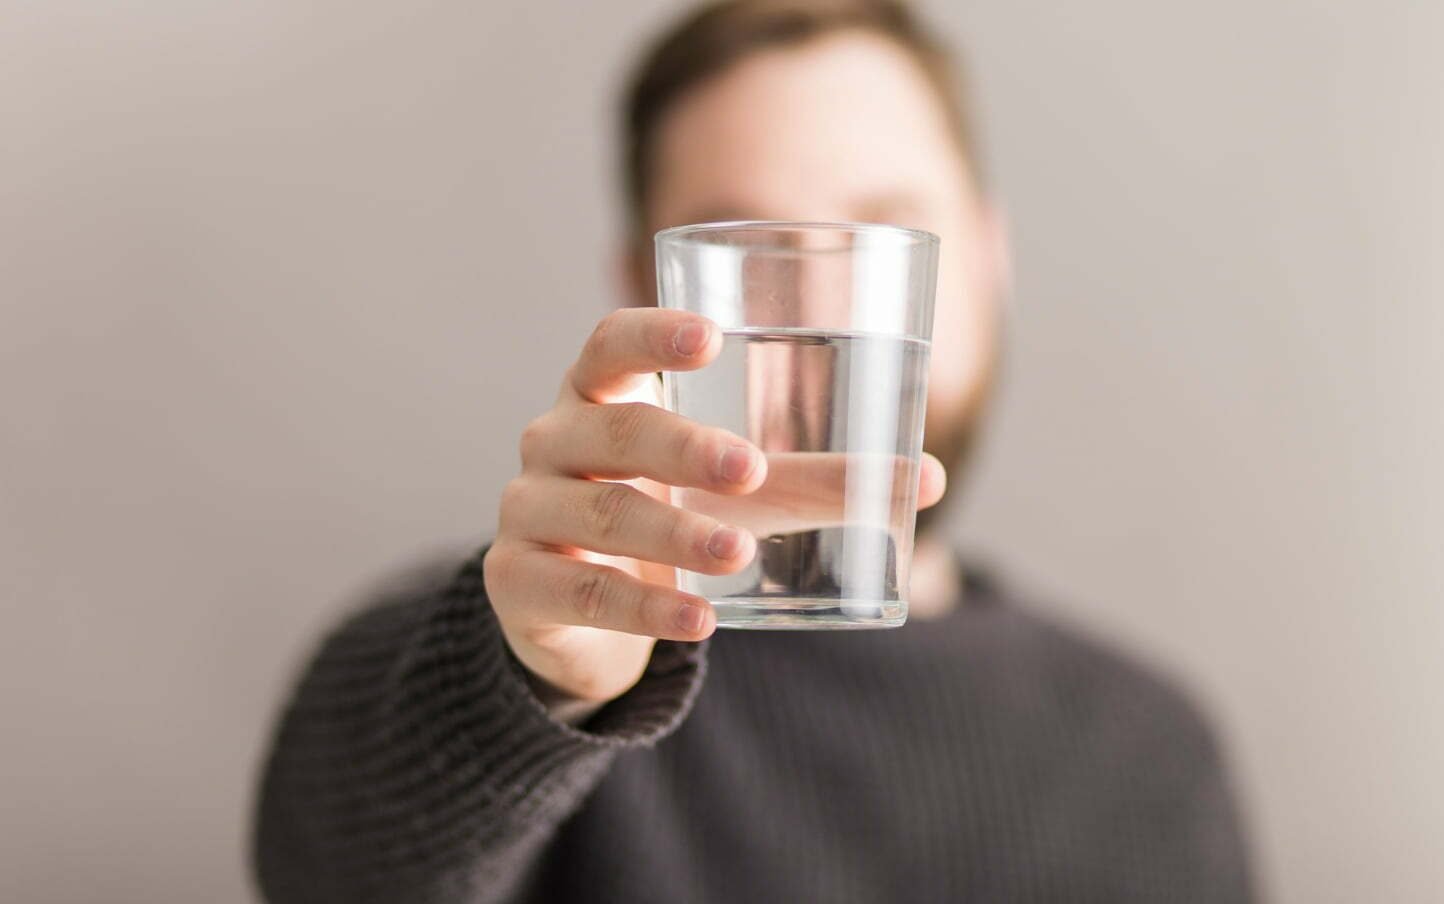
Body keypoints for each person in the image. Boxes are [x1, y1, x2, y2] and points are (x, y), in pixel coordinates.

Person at [253, 1, 1255, 901]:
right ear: (644, 290)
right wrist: (535, 680)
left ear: (991, 257)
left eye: (887, 226)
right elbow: (324, 865)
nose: (822, 302)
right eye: (745, 248)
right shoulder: (525, 645)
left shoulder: (1149, 749)